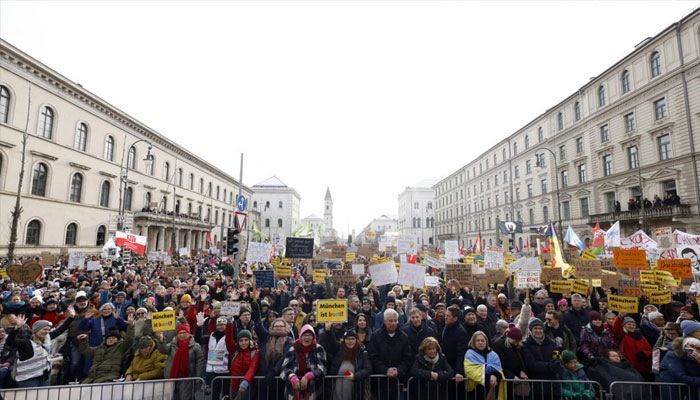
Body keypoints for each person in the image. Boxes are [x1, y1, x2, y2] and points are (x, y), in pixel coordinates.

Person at [6, 311, 75, 387]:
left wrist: (71, 317)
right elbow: (10, 342)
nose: (47, 332)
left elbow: (61, 329)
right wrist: (17, 328)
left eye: (49, 329)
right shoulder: (26, 342)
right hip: (29, 379)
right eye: (44, 329)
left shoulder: (47, 338)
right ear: (36, 330)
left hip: (45, 376)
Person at [368, 308, 412, 400]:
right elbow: (373, 357)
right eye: (390, 321)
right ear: (384, 321)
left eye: (395, 321)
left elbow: (407, 358)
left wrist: (399, 370)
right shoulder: (376, 336)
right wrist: (385, 370)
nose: (393, 323)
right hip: (381, 382)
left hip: (398, 382)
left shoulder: (404, 337)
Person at [77, 314, 135, 383]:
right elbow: (85, 351)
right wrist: (83, 340)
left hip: (108, 378)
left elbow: (129, 340)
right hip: (91, 378)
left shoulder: (120, 347)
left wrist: (131, 326)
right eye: (109, 338)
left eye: (113, 338)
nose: (111, 340)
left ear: (117, 340)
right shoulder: (99, 348)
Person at [156, 324, 204, 400]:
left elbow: (199, 362)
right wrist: (161, 340)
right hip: (173, 376)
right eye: (180, 333)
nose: (182, 335)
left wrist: (198, 375)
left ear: (189, 333)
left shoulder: (195, 346)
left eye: (184, 332)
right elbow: (163, 350)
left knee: (186, 396)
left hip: (188, 377)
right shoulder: (173, 344)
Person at [279, 324, 327, 400]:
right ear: (300, 336)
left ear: (313, 337)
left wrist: (310, 375)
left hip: (313, 390)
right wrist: (292, 377)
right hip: (293, 391)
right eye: (304, 335)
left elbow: (322, 368)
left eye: (309, 335)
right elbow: (284, 369)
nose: (307, 337)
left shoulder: (318, 349)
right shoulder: (293, 349)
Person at [521, 318, 562, 399]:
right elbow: (531, 364)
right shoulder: (526, 345)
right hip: (537, 386)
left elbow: (557, 356)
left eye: (540, 328)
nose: (538, 331)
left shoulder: (551, 342)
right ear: (531, 330)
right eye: (535, 328)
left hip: (553, 384)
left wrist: (557, 364)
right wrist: (549, 366)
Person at [330, 329, 373, 400]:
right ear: (344, 340)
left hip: (355, 392)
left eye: (353, 339)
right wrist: (328, 330)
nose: (350, 341)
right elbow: (330, 341)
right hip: (337, 392)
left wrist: (355, 376)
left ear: (356, 340)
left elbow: (368, 369)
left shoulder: (362, 352)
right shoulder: (339, 352)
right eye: (348, 339)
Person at [195, 314, 230, 400]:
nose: (220, 327)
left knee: (226, 395)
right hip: (213, 371)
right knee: (215, 395)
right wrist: (199, 326)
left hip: (226, 371)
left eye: (222, 325)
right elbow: (198, 339)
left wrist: (231, 322)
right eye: (218, 325)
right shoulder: (211, 336)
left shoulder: (229, 336)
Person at [463, 331, 506, 400]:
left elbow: (499, 371)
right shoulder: (470, 354)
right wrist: (488, 378)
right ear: (473, 342)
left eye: (482, 340)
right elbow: (470, 371)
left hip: (491, 390)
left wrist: (494, 375)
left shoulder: (493, 355)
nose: (480, 342)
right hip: (475, 391)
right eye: (478, 340)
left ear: (486, 342)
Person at [491, 324, 529, 400]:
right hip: (505, 381)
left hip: (518, 381)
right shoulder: (498, 346)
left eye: (518, 341)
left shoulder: (519, 347)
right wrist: (511, 376)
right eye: (515, 341)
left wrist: (523, 371)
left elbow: (523, 361)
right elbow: (498, 365)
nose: (516, 343)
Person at [612, 313, 653, 380]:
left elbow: (650, 351)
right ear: (624, 326)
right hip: (628, 368)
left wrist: (645, 353)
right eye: (629, 324)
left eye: (633, 325)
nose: (631, 326)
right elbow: (616, 328)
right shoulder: (622, 335)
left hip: (643, 369)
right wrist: (619, 318)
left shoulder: (641, 338)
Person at [226, 329, 259, 400]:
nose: (243, 343)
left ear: (250, 341)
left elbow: (252, 368)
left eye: (246, 340)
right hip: (234, 385)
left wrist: (246, 381)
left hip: (246, 385)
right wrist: (229, 323)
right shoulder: (235, 351)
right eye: (241, 341)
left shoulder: (255, 352)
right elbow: (228, 340)